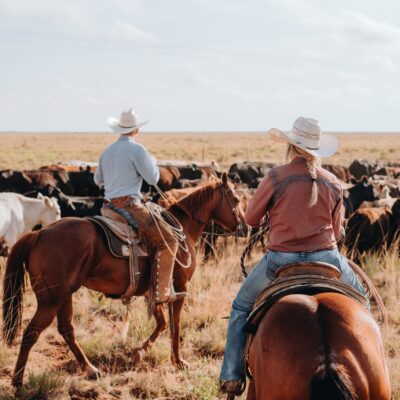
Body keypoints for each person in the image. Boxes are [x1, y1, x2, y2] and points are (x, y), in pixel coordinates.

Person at [219, 116, 366, 396]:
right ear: (316, 149)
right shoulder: (333, 181)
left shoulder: (275, 177)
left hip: (280, 261)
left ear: (291, 146)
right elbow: (336, 231)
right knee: (364, 301)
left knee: (240, 308)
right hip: (328, 258)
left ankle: (232, 376)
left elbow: (251, 218)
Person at [94, 108, 186, 305]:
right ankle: (161, 292)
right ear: (136, 130)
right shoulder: (138, 150)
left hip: (108, 207)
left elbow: (97, 180)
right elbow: (153, 178)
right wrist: (151, 161)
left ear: (120, 129)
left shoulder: (107, 151)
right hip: (131, 206)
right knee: (169, 241)